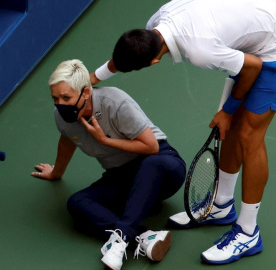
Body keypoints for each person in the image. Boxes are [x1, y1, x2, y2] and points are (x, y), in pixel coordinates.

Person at [89, 0, 276, 265]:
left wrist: (227, 110)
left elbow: (252, 67)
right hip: (253, 29)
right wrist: (91, 79)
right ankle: (221, 205)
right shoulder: (153, 27)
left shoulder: (200, 51)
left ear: (155, 61)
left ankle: (248, 232)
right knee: (233, 127)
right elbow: (123, 59)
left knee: (249, 135)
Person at [31, 59, 186, 270]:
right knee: (77, 202)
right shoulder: (62, 117)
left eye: (66, 97)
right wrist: (56, 173)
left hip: (162, 168)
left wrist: (105, 140)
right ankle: (145, 236)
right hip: (122, 176)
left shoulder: (115, 103)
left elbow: (151, 147)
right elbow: (67, 142)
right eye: (55, 98)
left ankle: (120, 239)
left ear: (85, 93)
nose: (60, 104)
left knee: (152, 165)